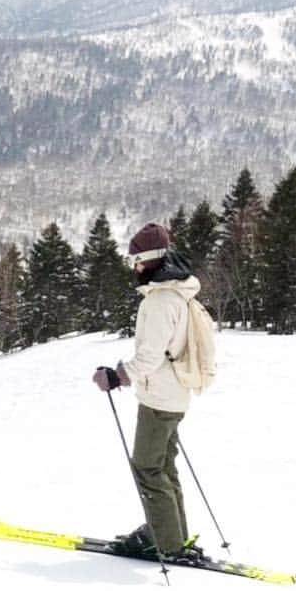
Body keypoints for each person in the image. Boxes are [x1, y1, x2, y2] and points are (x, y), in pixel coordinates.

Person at [92, 222, 203, 563]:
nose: (135, 268)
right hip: (174, 395)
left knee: (146, 468)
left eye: (137, 261)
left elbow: (151, 356)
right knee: (163, 467)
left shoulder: (159, 301)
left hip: (159, 397)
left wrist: (117, 375)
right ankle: (171, 534)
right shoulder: (178, 293)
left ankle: (166, 544)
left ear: (150, 260)